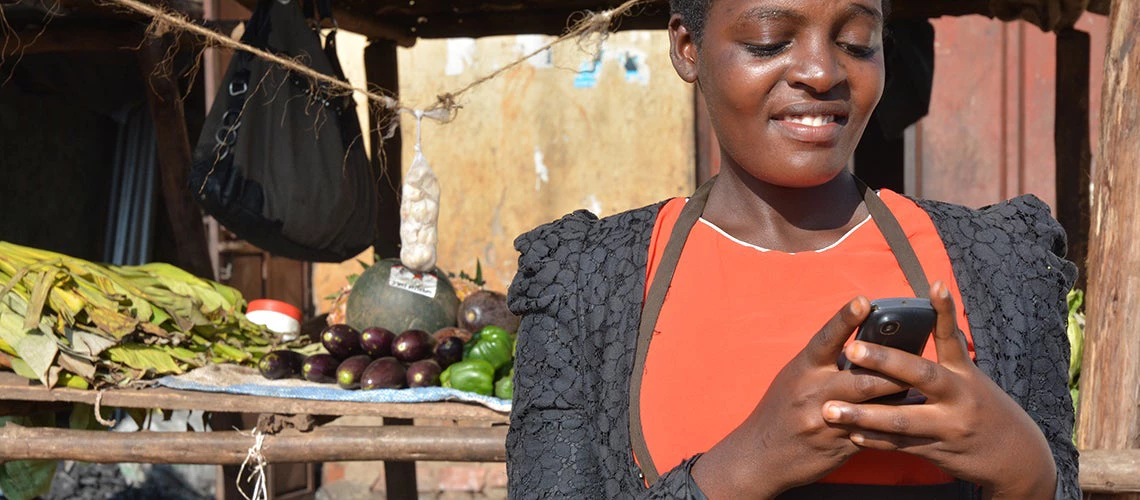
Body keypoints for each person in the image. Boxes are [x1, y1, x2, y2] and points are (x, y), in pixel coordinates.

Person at [505, 0, 1079, 498]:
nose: (821, 71)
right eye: (769, 42)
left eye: (857, 41)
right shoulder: (585, 282)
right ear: (687, 48)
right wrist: (749, 462)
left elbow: (1049, 482)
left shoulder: (1000, 265)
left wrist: (1025, 470)